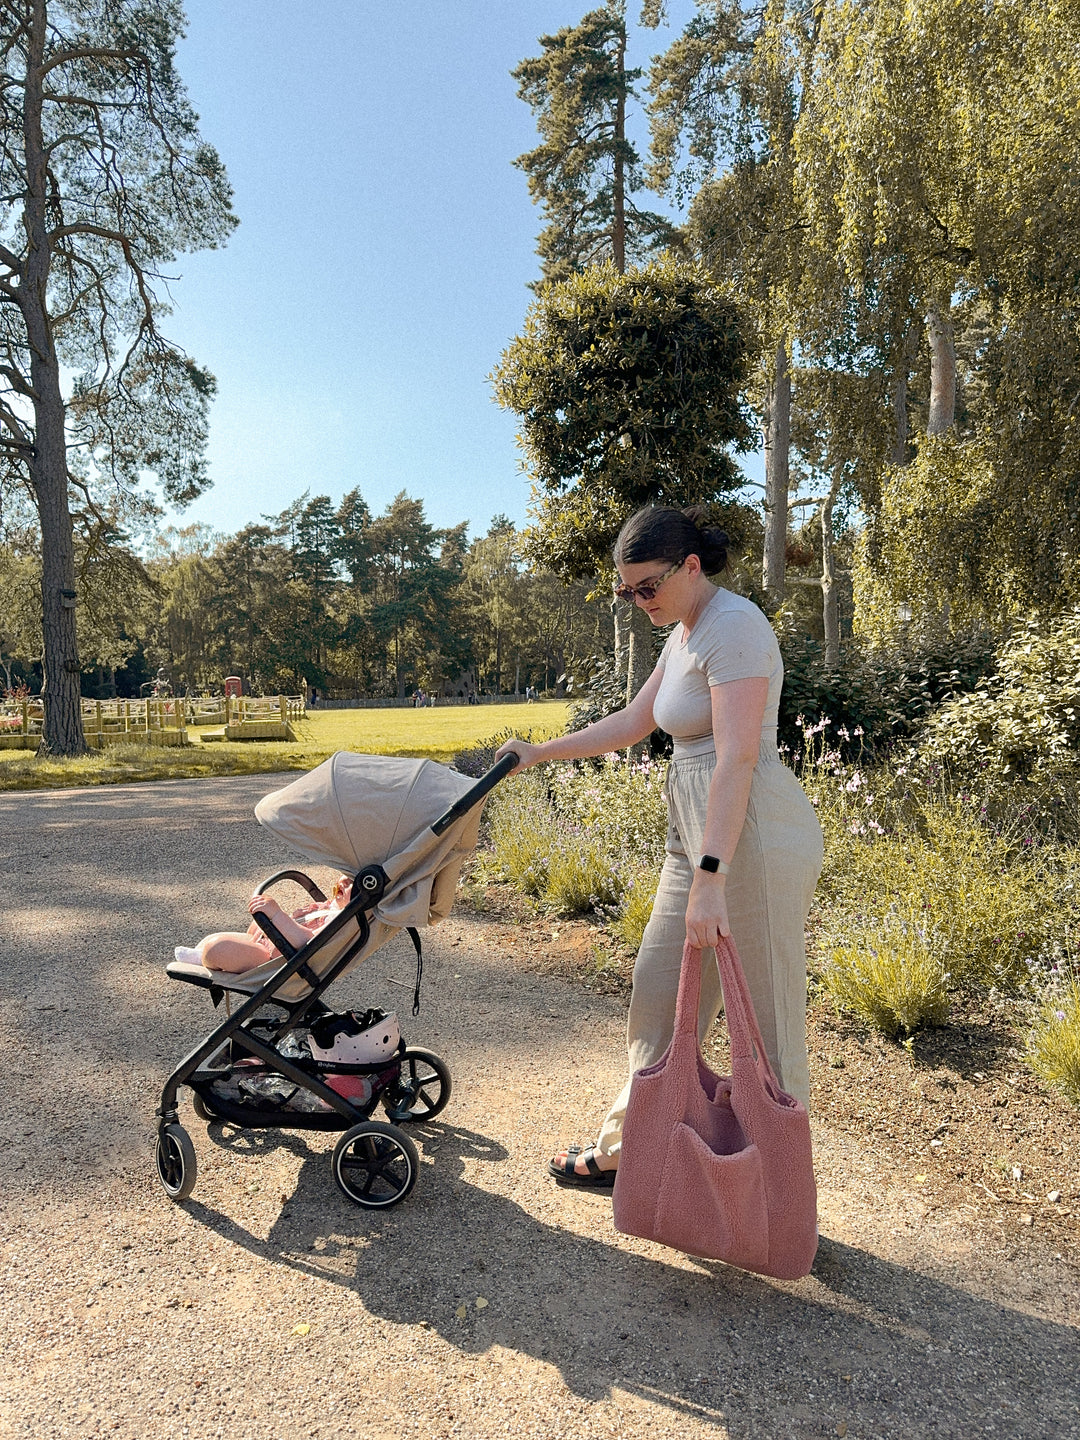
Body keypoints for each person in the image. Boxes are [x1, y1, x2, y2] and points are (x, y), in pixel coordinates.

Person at [495, 505, 823, 1187]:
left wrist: (712, 878)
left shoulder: (734, 628)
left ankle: (777, 1190)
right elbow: (635, 721)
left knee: (765, 1025)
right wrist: (537, 754)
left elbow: (735, 760)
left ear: (691, 566)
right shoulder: (684, 634)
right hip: (697, 841)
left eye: (647, 587)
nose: (638, 601)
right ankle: (633, 1145)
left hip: (749, 842)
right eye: (627, 591)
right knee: (656, 996)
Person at [174, 874, 354, 974]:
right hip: (266, 940)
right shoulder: (329, 907)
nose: (344, 881)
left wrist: (276, 913)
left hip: (272, 958)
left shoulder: (338, 920)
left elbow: (306, 941)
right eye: (346, 875)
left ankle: (207, 959)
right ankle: (205, 953)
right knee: (212, 938)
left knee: (217, 947)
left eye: (352, 883)